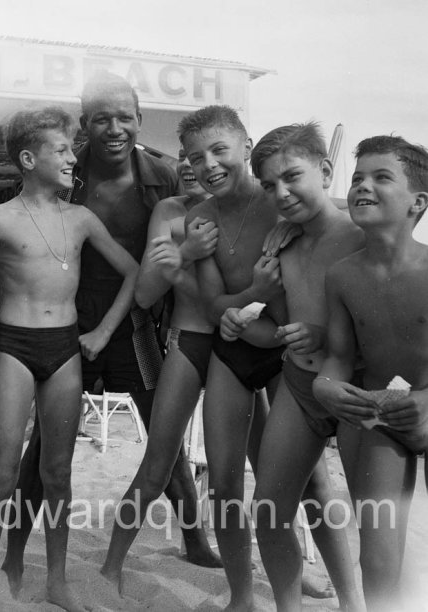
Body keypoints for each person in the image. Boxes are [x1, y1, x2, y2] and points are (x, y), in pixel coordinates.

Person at [2, 72, 221, 594]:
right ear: (85, 123)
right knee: (45, 448)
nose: (114, 128)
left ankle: (194, 538)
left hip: (139, 323)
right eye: (101, 117)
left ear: (140, 120)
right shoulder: (65, 168)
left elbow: (198, 228)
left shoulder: (165, 176)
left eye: (125, 116)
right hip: (69, 326)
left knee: (162, 438)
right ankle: (13, 553)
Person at [0, 106, 139, 612]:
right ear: (28, 158)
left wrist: (103, 332)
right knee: (0, 472)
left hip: (66, 347)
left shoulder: (82, 219)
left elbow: (132, 273)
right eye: (62, 150)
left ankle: (58, 581)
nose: (72, 159)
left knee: (58, 472)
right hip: (15, 348)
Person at [237, 122, 365, 612]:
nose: (282, 193)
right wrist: (244, 312)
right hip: (299, 383)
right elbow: (277, 325)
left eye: (293, 177)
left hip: (357, 389)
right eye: (270, 185)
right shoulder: (282, 243)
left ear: (327, 170)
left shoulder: (360, 237)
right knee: (268, 509)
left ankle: (356, 604)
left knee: (375, 518)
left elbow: (388, 334)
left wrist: (326, 335)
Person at [312, 135, 428, 611]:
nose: (363, 185)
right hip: (381, 414)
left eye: (382, 177)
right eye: (358, 177)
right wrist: (327, 386)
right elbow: (340, 356)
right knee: (378, 557)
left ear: (418, 202)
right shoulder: (343, 275)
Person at [180, 105, 284, 612]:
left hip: (286, 351)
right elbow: (213, 305)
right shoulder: (199, 219)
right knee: (225, 480)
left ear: (247, 145)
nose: (209, 165)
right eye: (196, 157)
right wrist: (255, 291)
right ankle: (242, 595)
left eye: (220, 150)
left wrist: (244, 303)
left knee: (307, 481)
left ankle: (345, 595)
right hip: (231, 353)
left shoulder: (281, 204)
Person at [101, 149, 220, 590]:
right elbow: (148, 288)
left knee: (182, 455)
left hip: (219, 343)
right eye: (187, 157)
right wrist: (184, 253)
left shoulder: (253, 208)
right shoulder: (166, 210)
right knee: (159, 461)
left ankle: (199, 543)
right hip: (157, 334)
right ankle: (108, 563)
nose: (194, 165)